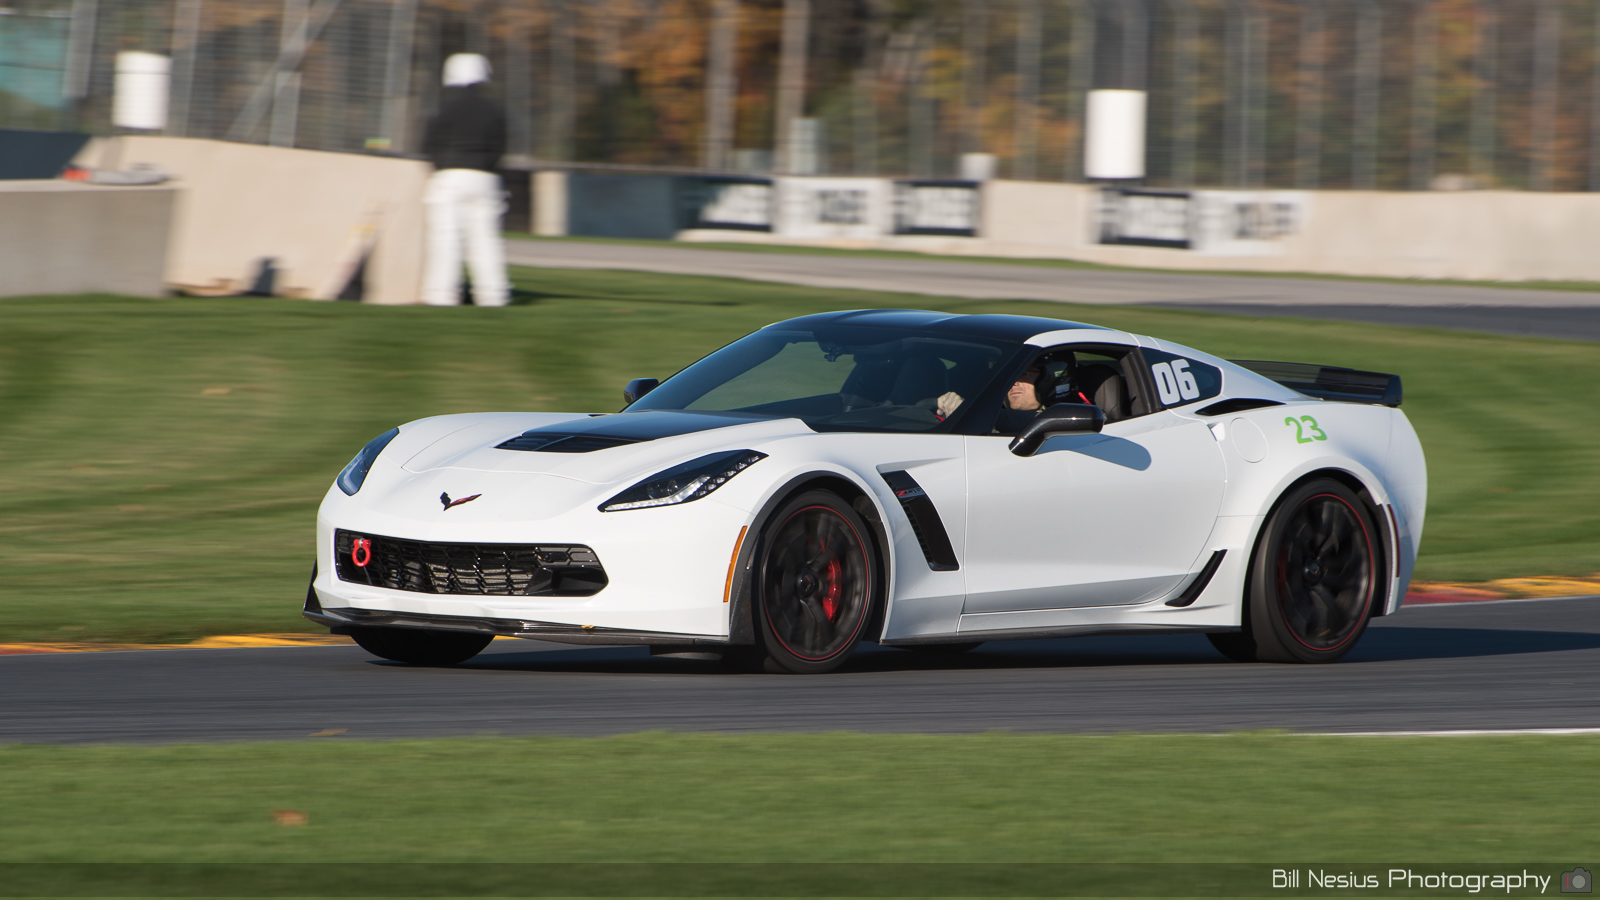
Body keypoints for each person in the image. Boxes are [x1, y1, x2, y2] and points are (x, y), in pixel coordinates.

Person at [420, 53, 510, 307]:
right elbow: (500, 147)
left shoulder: (442, 107)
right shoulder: (495, 109)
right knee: (486, 240)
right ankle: (494, 296)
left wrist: (444, 168)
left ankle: (442, 296)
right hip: (486, 181)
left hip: (450, 178)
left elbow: (430, 146)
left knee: (446, 239)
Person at [936, 365, 1044, 420]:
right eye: (1010, 378)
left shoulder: (1057, 420)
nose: (1013, 383)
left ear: (1045, 380)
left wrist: (969, 413)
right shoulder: (991, 418)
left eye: (1024, 374)